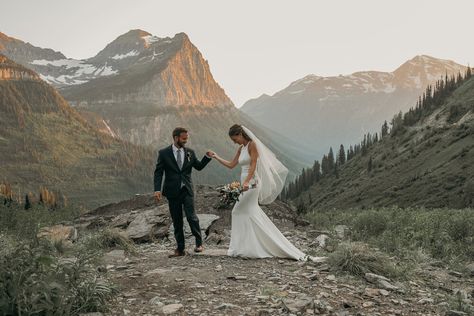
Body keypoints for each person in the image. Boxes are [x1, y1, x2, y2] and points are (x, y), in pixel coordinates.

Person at [209, 124, 307, 260]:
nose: (234, 141)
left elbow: (253, 164)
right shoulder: (241, 148)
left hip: (252, 184)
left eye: (234, 138)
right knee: (249, 212)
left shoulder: (252, 145)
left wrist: (247, 182)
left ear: (240, 134)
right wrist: (216, 157)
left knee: (237, 211)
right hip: (245, 184)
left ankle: (246, 247)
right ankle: (248, 246)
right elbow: (231, 165)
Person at [154, 127, 212, 257]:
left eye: (187, 138)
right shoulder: (164, 153)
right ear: (176, 138)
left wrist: (207, 157)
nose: (186, 141)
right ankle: (180, 249)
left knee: (192, 217)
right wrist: (157, 189)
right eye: (183, 138)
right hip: (172, 192)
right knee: (177, 220)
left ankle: (199, 244)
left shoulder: (190, 152)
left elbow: (198, 167)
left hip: (187, 190)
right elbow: (158, 172)